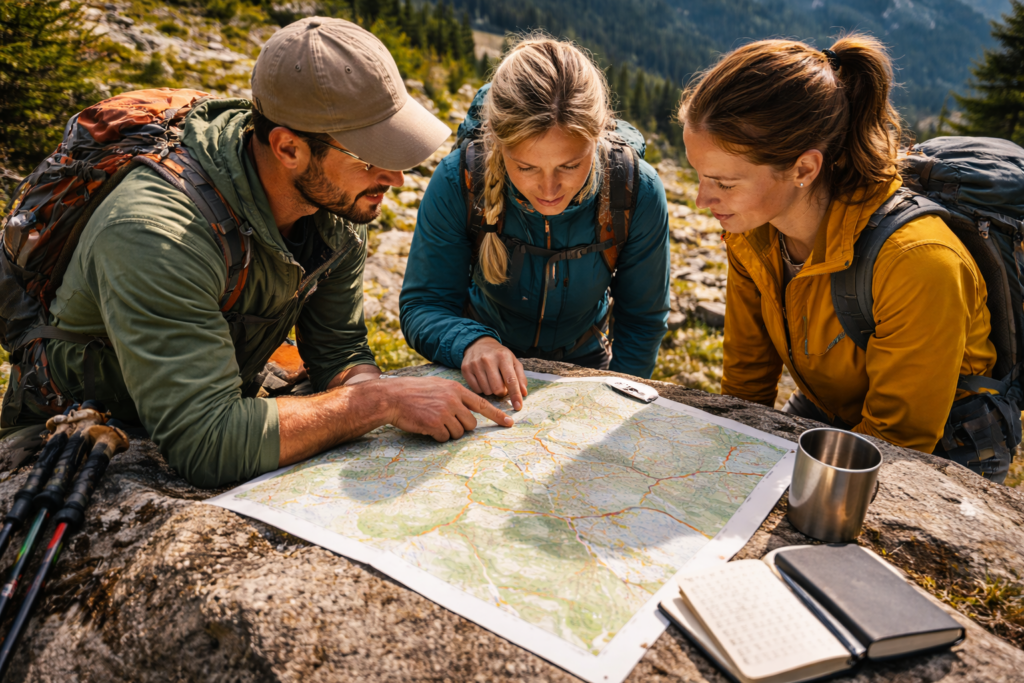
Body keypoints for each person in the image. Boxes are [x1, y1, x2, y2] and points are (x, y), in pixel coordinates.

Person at [0, 17, 514, 487]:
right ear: (289, 148)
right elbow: (207, 443)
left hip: (211, 401)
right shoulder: (156, 232)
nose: (395, 178)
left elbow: (338, 351)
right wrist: (376, 401)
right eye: (370, 156)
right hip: (76, 433)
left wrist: (374, 398)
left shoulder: (333, 209)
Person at [678, 35, 1001, 469]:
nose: (702, 199)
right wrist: (728, 455)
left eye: (724, 182)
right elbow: (746, 382)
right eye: (699, 175)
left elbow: (896, 441)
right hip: (833, 409)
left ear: (804, 168)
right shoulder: (752, 231)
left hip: (944, 444)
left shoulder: (918, 261)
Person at [399, 36, 670, 410]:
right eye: (525, 167)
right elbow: (424, 304)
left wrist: (618, 402)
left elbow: (642, 320)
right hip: (480, 368)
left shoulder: (634, 190)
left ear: (598, 139)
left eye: (570, 165)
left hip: (585, 367)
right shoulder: (458, 179)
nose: (548, 189)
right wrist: (471, 342)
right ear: (498, 142)